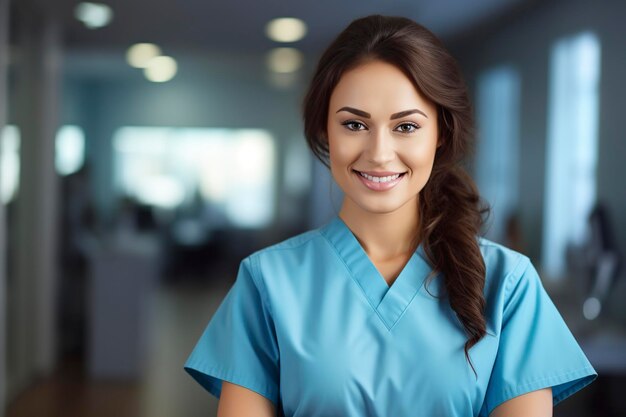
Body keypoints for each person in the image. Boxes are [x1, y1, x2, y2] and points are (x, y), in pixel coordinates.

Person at [184, 15, 597, 417]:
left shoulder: (509, 284)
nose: (379, 154)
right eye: (354, 124)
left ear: (441, 134)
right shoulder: (266, 282)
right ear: (325, 131)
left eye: (406, 127)